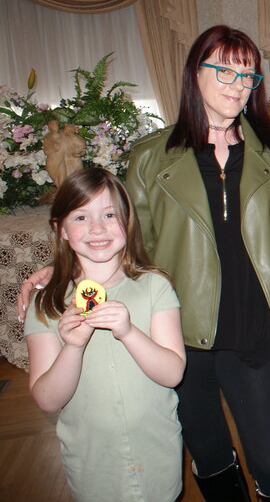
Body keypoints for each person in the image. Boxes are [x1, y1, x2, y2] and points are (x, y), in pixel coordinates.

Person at [20, 25, 270, 502]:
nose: (238, 84)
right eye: (224, 69)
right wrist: (60, 267)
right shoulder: (151, 156)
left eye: (248, 74)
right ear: (196, 73)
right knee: (208, 452)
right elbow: (124, 239)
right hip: (177, 329)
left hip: (254, 325)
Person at [24, 167, 186, 502]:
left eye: (109, 214)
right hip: (92, 463)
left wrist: (128, 332)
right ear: (61, 229)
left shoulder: (155, 287)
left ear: (126, 221)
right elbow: (47, 399)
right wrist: (72, 347)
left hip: (157, 453)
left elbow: (172, 373)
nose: (97, 228)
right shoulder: (46, 303)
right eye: (80, 217)